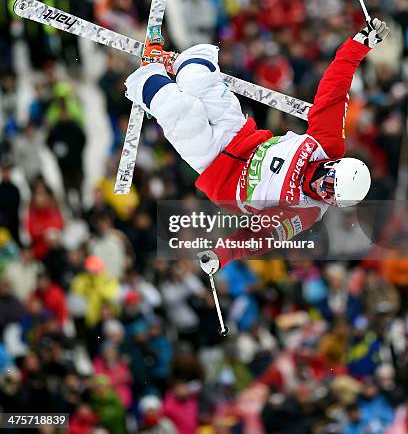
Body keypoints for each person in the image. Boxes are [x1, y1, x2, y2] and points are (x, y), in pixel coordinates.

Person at [124, 18, 389, 275]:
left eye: (329, 193)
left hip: (215, 167)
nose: (321, 187)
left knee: (183, 110)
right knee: (198, 78)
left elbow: (259, 235)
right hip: (239, 132)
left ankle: (146, 81)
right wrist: (359, 44)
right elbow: (335, 90)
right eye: (329, 179)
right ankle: (173, 64)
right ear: (334, 165)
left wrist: (222, 254)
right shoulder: (327, 145)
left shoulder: (305, 211)